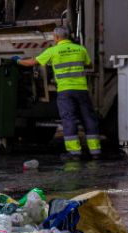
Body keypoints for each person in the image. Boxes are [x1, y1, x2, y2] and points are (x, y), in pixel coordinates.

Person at [17, 26, 101, 159]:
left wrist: (17, 60)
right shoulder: (80, 49)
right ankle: (95, 151)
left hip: (65, 91)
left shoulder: (53, 51)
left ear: (56, 37)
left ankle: (75, 153)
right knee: (88, 118)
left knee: (69, 120)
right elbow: (89, 65)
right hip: (82, 90)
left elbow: (32, 62)